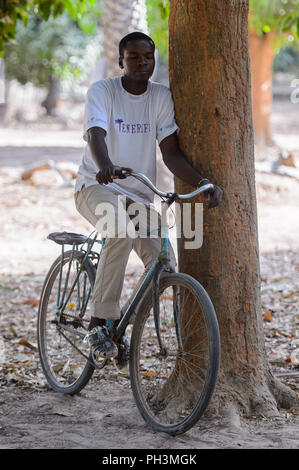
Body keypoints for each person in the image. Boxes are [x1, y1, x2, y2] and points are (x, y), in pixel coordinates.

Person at [74, 31, 223, 363]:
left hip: (139, 195)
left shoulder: (160, 97)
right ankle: (99, 322)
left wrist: (203, 181)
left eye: (148, 57)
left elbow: (170, 153)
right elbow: (95, 133)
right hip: (97, 187)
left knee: (163, 265)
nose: (143, 63)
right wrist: (106, 165)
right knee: (121, 232)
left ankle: (120, 324)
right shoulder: (103, 91)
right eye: (134, 57)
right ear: (121, 61)